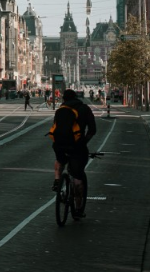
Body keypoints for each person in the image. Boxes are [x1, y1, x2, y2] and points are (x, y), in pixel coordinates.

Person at [51, 89, 97, 217]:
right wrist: (84, 141)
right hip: (77, 146)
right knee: (77, 176)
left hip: (59, 145)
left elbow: (56, 127)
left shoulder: (61, 109)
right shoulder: (84, 108)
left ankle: (57, 180)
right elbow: (92, 130)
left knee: (60, 159)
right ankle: (77, 209)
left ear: (64, 98)